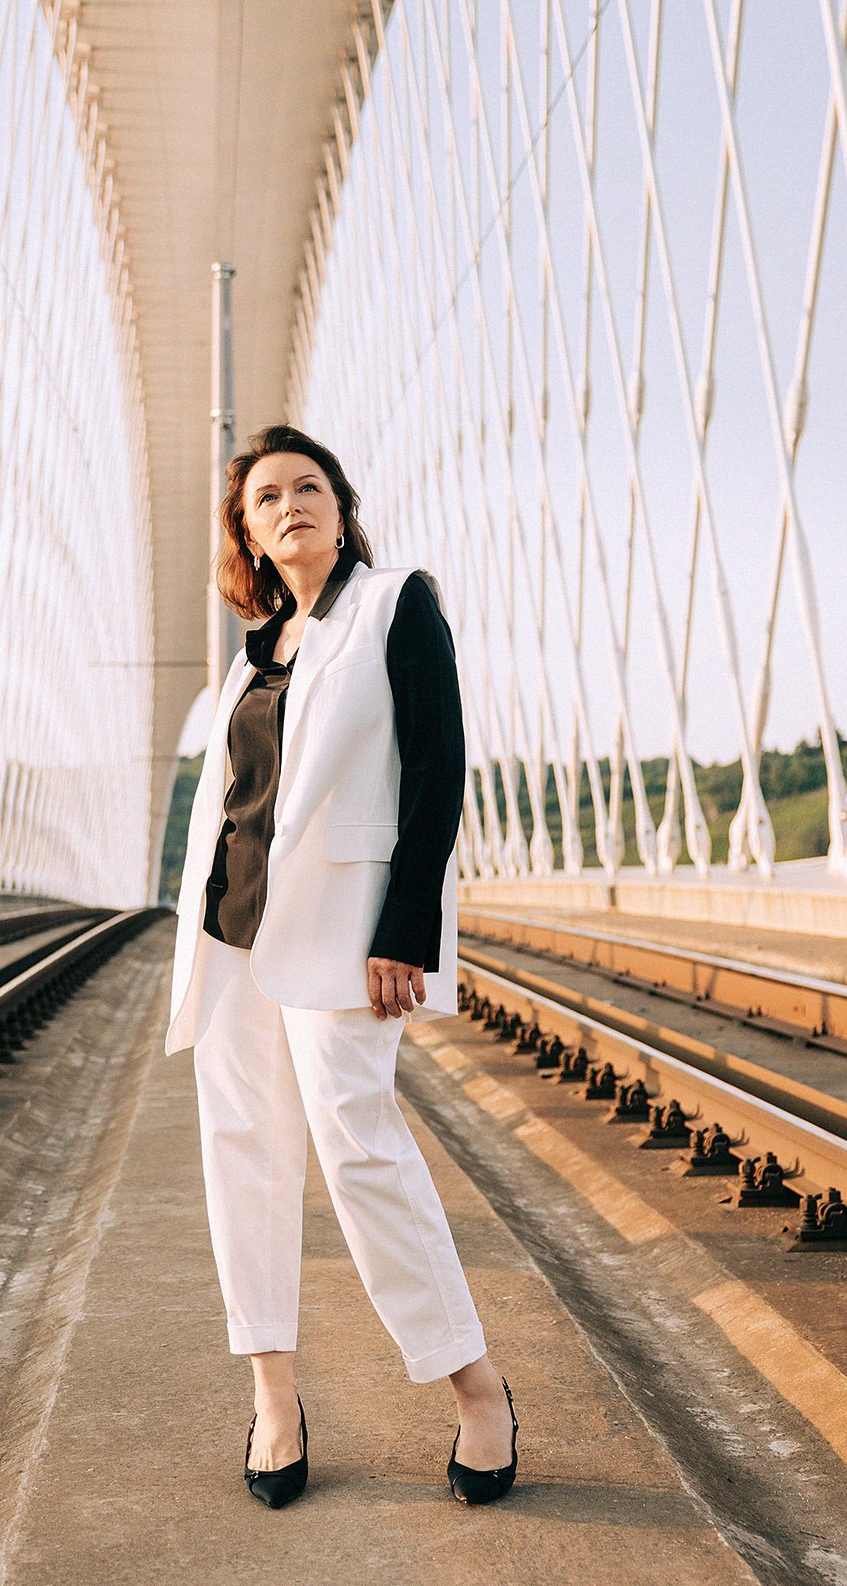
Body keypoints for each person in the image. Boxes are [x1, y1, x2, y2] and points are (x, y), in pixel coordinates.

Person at [166, 423, 518, 1508]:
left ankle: (475, 1387)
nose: (289, 504)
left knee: (362, 1152)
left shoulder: (394, 603)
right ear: (249, 536)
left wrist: (405, 926)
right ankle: (274, 1393)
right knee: (244, 1158)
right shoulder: (255, 650)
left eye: (306, 485)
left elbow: (438, 764)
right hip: (233, 936)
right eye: (265, 497)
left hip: (345, 937)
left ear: (338, 504)